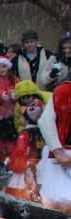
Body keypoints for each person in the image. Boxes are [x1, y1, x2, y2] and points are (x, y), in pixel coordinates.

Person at [7, 81, 49, 200]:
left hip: (28, 165)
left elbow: (20, 151)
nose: (25, 100)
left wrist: (14, 164)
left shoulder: (25, 135)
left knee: (28, 188)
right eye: (23, 98)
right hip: (41, 164)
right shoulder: (43, 132)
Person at [38, 79, 71, 211]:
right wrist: (58, 151)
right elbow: (45, 121)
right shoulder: (64, 90)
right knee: (56, 202)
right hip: (64, 151)